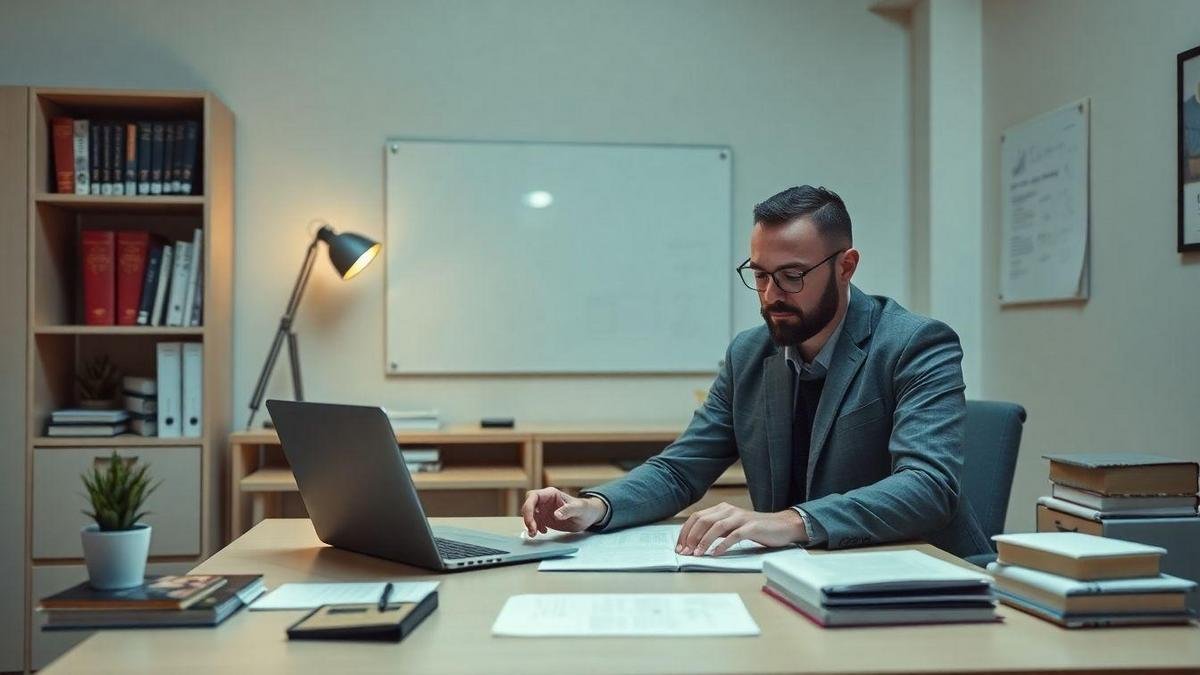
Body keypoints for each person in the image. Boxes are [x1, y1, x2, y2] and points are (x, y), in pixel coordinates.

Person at [520, 185, 991, 559]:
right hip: (801, 574)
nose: (770, 296)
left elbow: (929, 487)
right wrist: (595, 507)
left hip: (921, 576)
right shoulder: (750, 353)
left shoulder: (916, 343)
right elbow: (681, 470)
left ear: (846, 266)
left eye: (792, 276)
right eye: (760, 274)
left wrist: (792, 521)